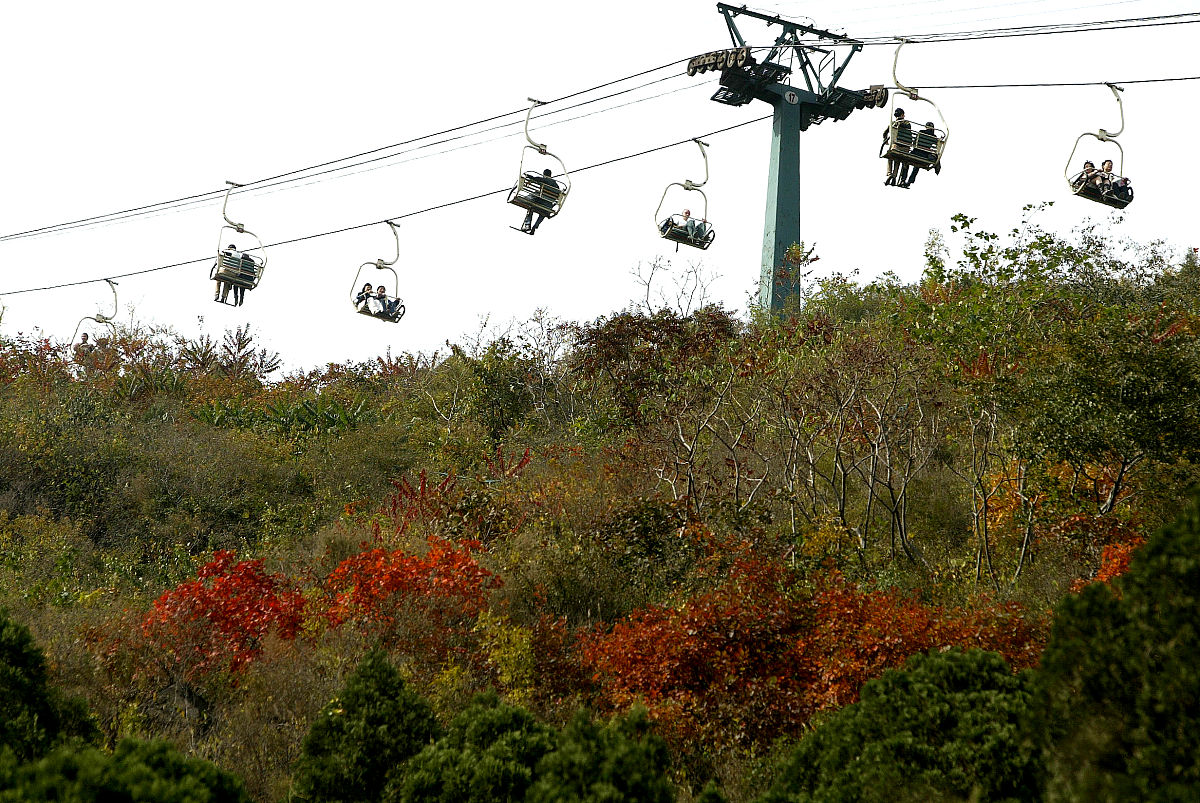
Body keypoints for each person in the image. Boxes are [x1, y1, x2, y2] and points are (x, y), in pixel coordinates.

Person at [521, 169, 561, 235]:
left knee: (530, 207)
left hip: (541, 202)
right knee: (543, 213)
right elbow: (557, 196)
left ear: (544, 174)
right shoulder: (556, 185)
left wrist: (529, 177)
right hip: (548, 206)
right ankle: (535, 226)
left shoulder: (546, 180)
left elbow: (538, 179)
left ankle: (527, 225)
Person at [904, 122, 940, 187]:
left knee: (906, 162)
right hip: (924, 155)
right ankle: (909, 181)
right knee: (917, 166)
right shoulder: (934, 137)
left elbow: (914, 143)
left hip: (915, 153)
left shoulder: (921, 132)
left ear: (926, 127)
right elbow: (937, 146)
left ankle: (903, 179)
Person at [882, 107, 911, 187]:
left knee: (891, 156)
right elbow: (908, 129)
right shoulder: (908, 123)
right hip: (906, 148)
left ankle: (889, 174)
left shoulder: (893, 123)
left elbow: (884, 133)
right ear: (902, 115)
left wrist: (886, 140)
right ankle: (894, 176)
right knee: (898, 159)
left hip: (896, 146)